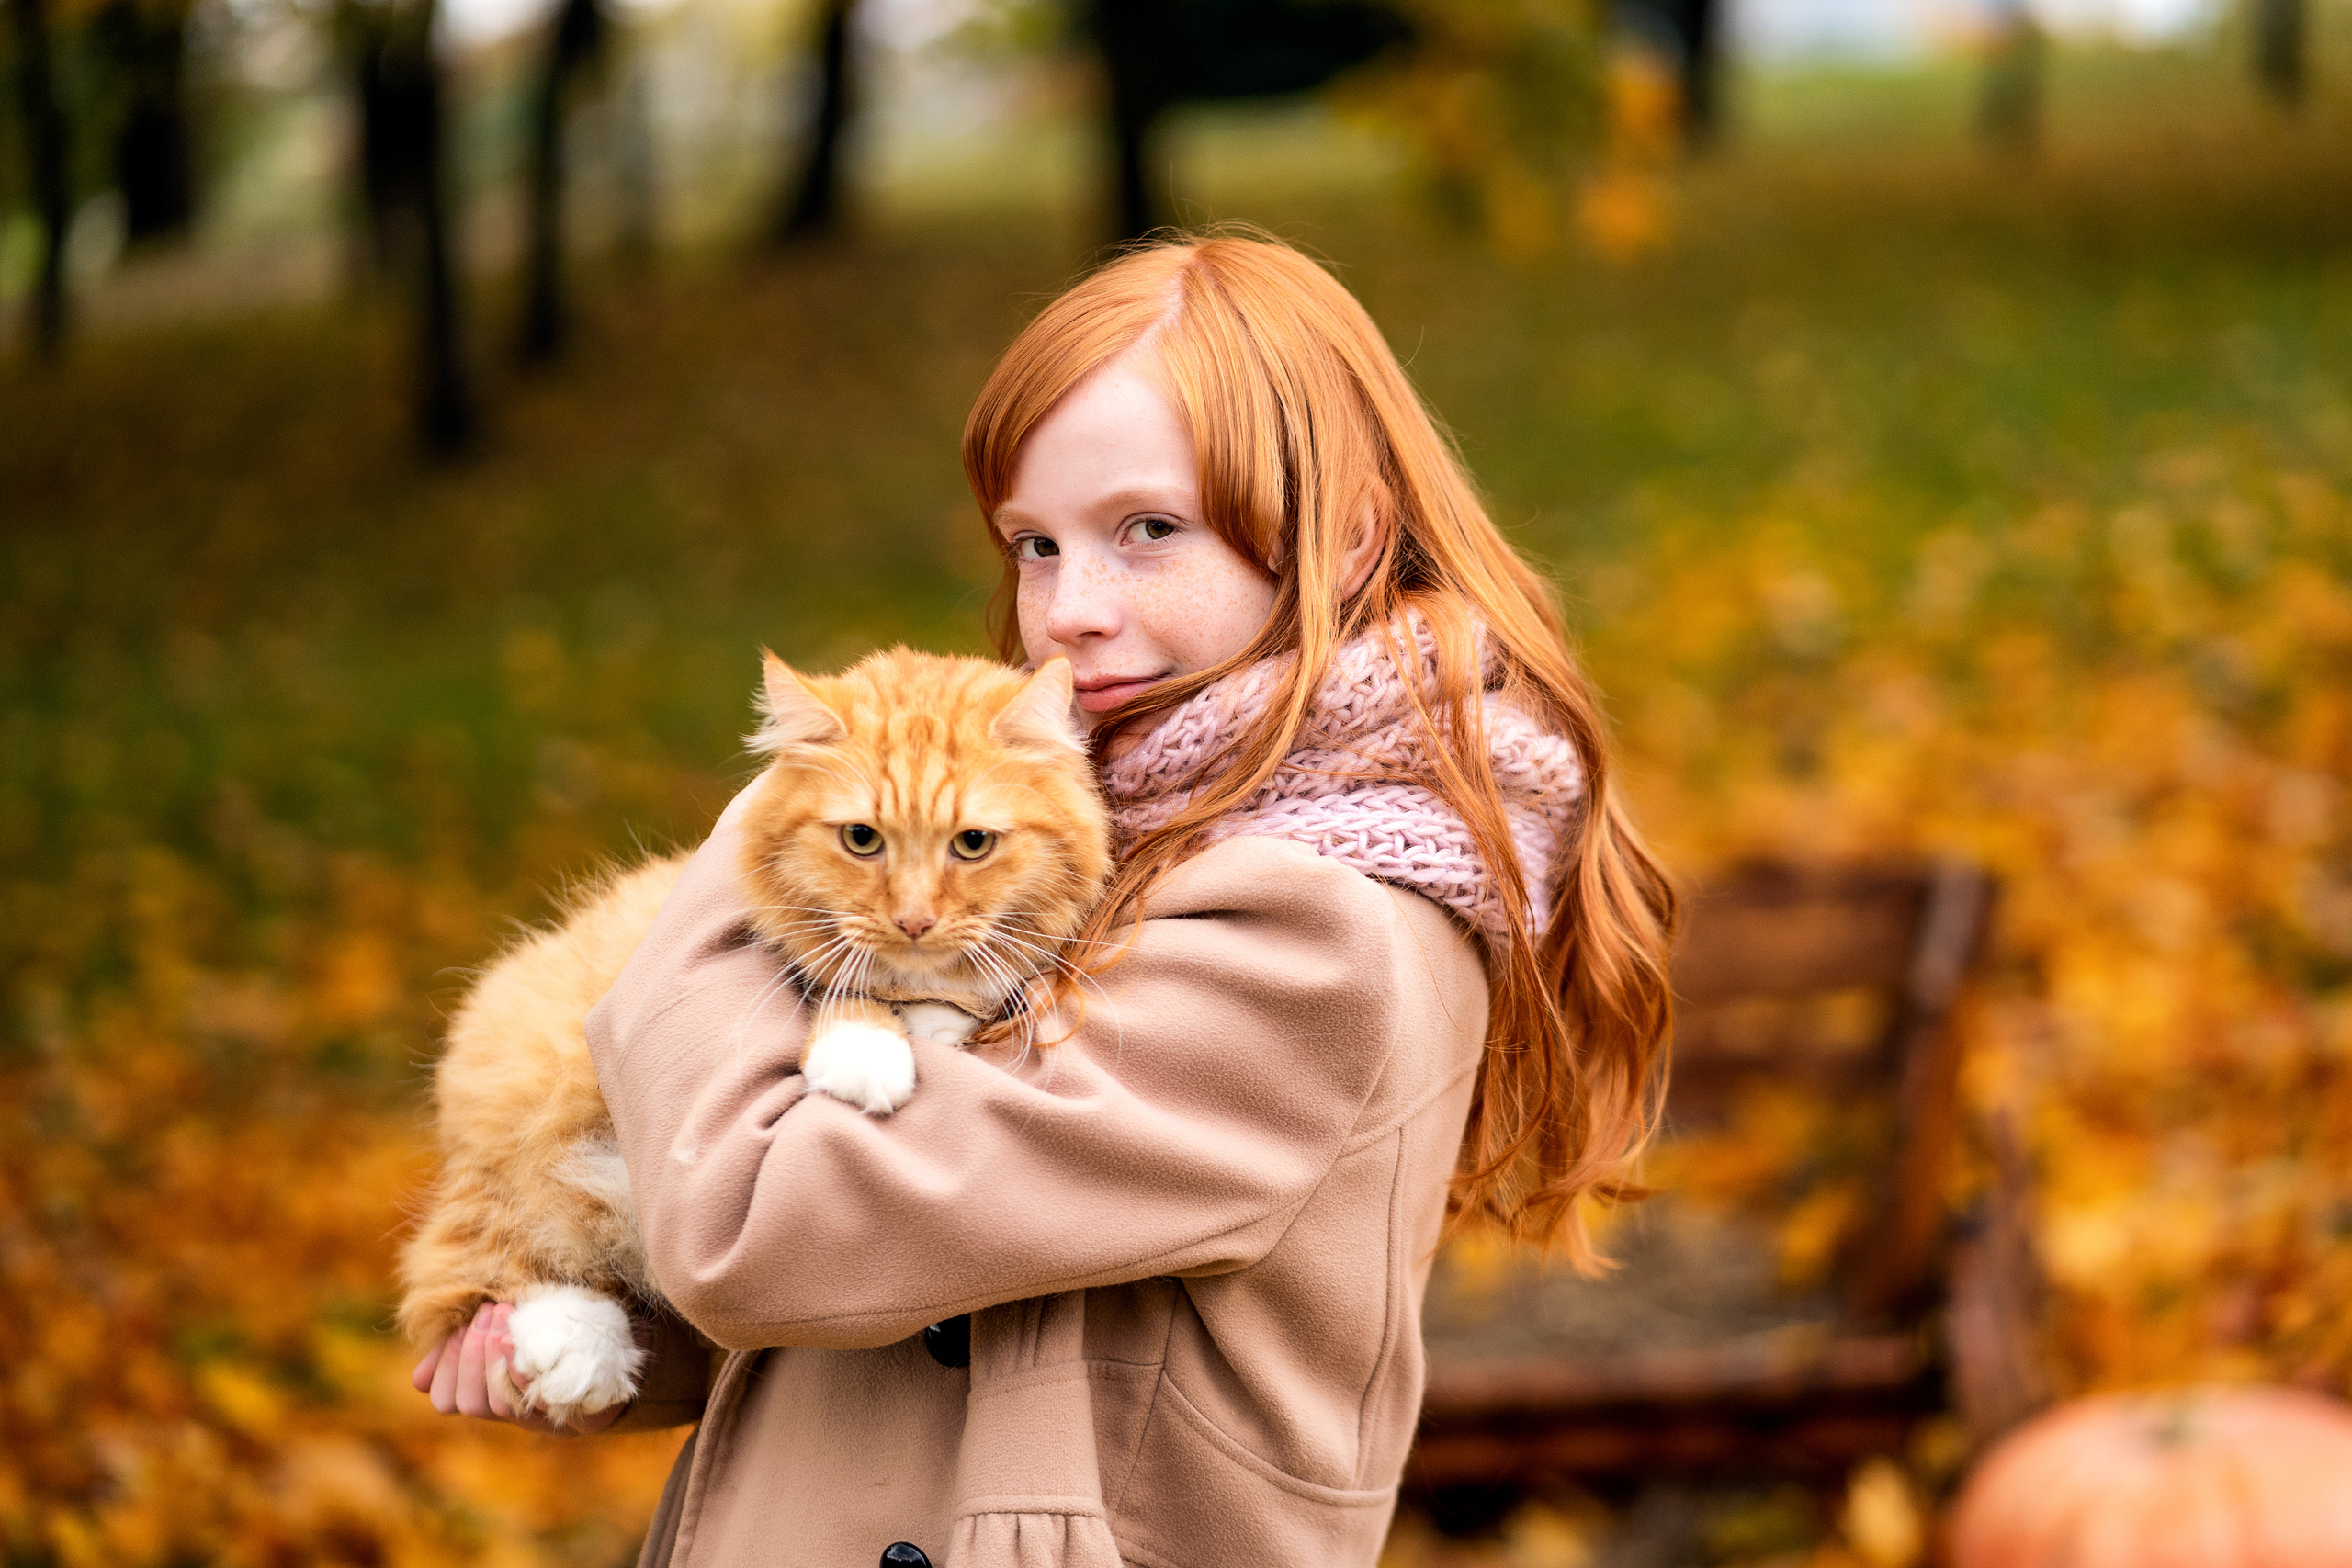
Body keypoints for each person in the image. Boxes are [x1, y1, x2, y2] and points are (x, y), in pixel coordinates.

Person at [412, 233, 1675, 1568]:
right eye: (1034, 542)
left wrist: (753, 848)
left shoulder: (1315, 931)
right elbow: (926, 1287)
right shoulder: (1118, 821)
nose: (1069, 610)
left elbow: (767, 1236)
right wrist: (594, 1322)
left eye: (1148, 531)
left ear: (1346, 537)